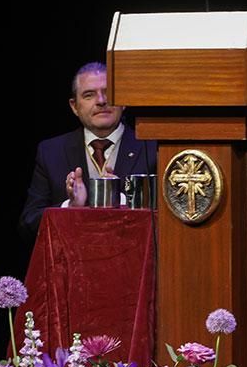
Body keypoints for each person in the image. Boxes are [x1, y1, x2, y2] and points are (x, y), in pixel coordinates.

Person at [18, 61, 157, 238]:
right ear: (74, 106)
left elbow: (169, 219)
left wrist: (123, 204)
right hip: (73, 262)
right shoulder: (51, 152)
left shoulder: (153, 148)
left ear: (123, 101)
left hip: (136, 259)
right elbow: (28, 223)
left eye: (108, 92)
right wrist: (71, 207)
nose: (101, 101)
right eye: (89, 95)